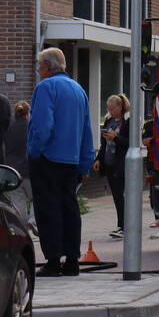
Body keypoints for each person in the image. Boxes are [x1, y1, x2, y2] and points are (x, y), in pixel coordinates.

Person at [28, 48, 95, 277]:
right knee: (69, 208)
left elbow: (42, 125)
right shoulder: (78, 90)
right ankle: (72, 259)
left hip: (48, 158)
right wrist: (85, 162)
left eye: (39, 66)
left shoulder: (46, 87)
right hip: (71, 160)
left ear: (47, 66)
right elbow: (86, 129)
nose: (38, 70)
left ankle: (53, 260)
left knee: (48, 209)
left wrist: (35, 151)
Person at [93, 94, 130, 239]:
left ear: (120, 107)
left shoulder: (127, 121)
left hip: (121, 163)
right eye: (108, 109)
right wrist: (98, 159)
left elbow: (130, 142)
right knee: (115, 195)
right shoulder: (109, 121)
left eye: (112, 108)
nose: (110, 111)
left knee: (120, 195)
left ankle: (123, 226)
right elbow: (104, 144)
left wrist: (116, 138)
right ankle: (121, 225)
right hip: (109, 163)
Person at [5, 100, 35, 232]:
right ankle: (33, 221)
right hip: (29, 169)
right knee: (37, 196)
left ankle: (21, 228)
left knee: (18, 201)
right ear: (28, 114)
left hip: (12, 171)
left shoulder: (8, 128)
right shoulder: (31, 127)